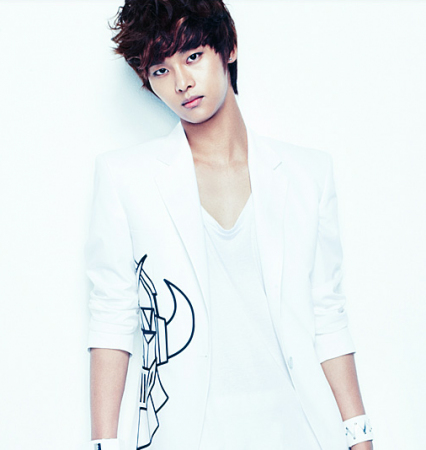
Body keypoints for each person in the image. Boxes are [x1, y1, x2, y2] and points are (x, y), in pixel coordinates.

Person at [86, 1, 374, 449]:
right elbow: (111, 319)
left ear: (229, 47)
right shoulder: (126, 179)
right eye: (161, 70)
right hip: (186, 435)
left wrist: (359, 436)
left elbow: (327, 315)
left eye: (193, 56)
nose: (181, 82)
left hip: (298, 431)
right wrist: (102, 444)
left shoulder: (307, 175)